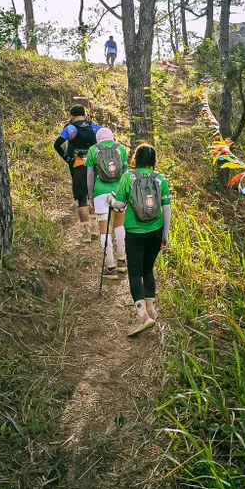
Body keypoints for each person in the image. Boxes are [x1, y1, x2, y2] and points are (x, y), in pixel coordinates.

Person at [111, 144, 170, 337]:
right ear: (153, 161)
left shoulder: (128, 177)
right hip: (156, 230)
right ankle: (152, 310)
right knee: (147, 270)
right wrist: (165, 234)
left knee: (135, 273)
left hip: (135, 232)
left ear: (136, 159)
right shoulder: (161, 179)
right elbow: (166, 208)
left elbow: (119, 205)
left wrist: (111, 201)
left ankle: (143, 316)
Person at [85, 127, 129, 277]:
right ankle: (122, 261)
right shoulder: (121, 149)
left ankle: (110, 268)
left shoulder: (93, 149)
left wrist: (90, 197)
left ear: (98, 138)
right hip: (118, 193)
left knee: (104, 229)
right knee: (119, 225)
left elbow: (90, 175)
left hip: (99, 192)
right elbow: (125, 173)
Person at [53, 106, 100, 240]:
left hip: (78, 165)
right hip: (93, 165)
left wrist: (67, 158)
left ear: (72, 116)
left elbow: (57, 144)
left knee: (82, 199)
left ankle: (86, 233)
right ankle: (95, 227)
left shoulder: (71, 128)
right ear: (84, 114)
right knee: (93, 197)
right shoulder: (94, 126)